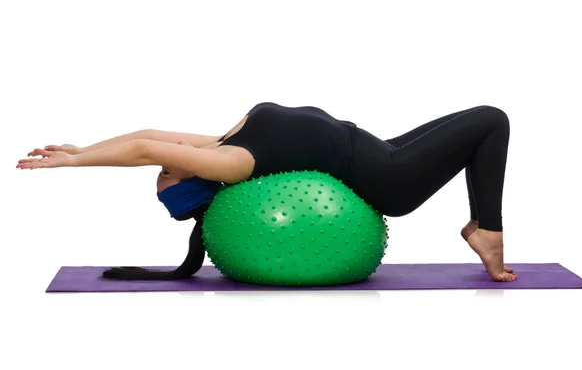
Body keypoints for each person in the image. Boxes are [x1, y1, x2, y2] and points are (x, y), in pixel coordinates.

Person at [17, 102, 517, 282]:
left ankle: (482, 226)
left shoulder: (220, 142)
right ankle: (487, 232)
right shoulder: (234, 163)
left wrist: (84, 145)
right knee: (492, 120)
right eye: (166, 176)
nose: (164, 166)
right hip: (392, 178)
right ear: (196, 179)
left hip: (382, 149)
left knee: (483, 120)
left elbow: (147, 133)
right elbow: (147, 147)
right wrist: (72, 164)